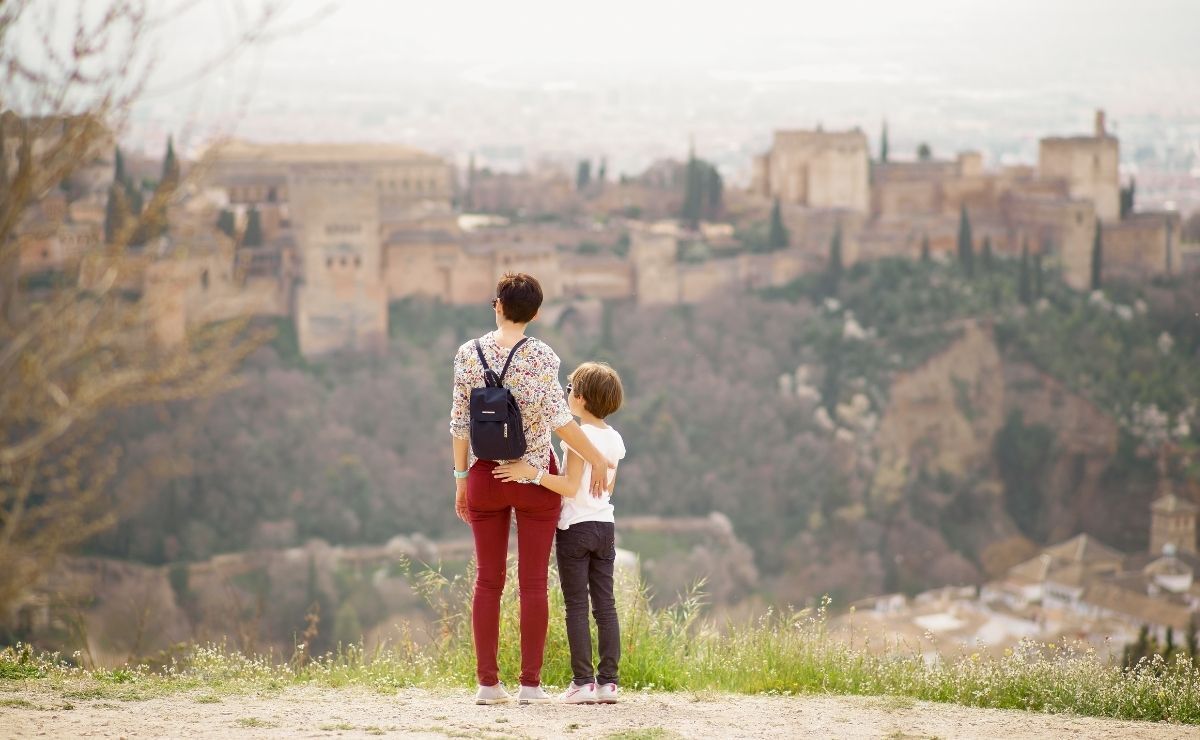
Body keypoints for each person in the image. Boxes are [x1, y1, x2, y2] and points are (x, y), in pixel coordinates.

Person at [450, 273, 613, 706]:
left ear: (497, 305)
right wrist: (595, 457)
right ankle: (530, 687)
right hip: (534, 476)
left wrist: (462, 479)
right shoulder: (542, 356)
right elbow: (562, 420)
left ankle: (487, 685)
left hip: (485, 476)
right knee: (534, 583)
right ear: (536, 313)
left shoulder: (468, 354)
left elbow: (459, 423)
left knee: (488, 581)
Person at [494, 361, 626, 705]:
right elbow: (608, 485)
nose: (566, 396)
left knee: (577, 607)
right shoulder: (614, 440)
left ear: (580, 399)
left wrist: (530, 473)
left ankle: (582, 683)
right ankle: (608, 683)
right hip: (605, 526)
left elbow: (569, 487)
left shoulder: (580, 441)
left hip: (575, 528)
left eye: (569, 391)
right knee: (606, 606)